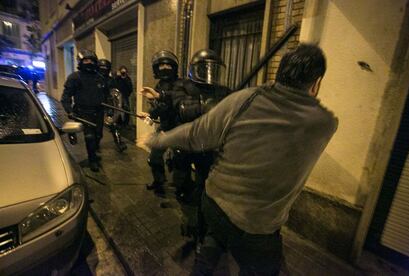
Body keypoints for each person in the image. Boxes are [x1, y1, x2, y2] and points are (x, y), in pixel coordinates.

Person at [144, 44, 338, 275]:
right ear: (316, 83)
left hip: (217, 196)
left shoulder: (241, 98)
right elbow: (182, 110)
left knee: (215, 235)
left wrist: (158, 139)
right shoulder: (325, 122)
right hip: (254, 221)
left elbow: (197, 132)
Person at [141, 49, 231, 242]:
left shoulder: (223, 90)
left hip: (209, 146)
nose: (209, 73)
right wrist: (157, 104)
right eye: (204, 68)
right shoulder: (185, 86)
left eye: (213, 69)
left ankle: (201, 224)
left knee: (205, 185)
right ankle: (188, 214)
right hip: (183, 139)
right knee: (180, 180)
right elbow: (180, 106)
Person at [141, 50, 182, 195]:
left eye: (167, 64)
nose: (164, 68)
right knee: (154, 158)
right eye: (161, 65)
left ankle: (183, 188)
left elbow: (174, 100)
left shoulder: (181, 84)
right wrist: (149, 114)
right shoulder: (159, 85)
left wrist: (159, 96)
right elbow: (160, 107)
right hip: (165, 126)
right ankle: (159, 182)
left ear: (174, 66)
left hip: (180, 128)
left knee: (181, 162)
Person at [61, 49, 108, 172]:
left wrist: (109, 110)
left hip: (98, 112)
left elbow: (105, 95)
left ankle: (94, 151)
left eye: (91, 60)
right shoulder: (74, 77)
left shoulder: (99, 77)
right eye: (86, 60)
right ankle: (92, 160)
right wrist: (69, 110)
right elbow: (65, 97)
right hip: (83, 112)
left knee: (98, 135)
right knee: (90, 137)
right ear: (81, 62)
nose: (89, 62)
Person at [98, 58, 127, 153]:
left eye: (105, 68)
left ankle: (119, 142)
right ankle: (95, 144)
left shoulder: (111, 80)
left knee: (113, 124)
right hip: (96, 105)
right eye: (102, 68)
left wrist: (121, 78)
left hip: (109, 105)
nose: (104, 70)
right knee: (97, 128)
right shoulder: (94, 79)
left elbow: (119, 90)